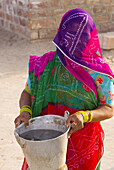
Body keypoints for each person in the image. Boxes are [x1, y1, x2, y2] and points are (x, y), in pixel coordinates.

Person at [14, 8, 114, 170]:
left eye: (81, 35)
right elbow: (27, 92)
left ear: (90, 37)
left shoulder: (99, 73)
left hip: (83, 142)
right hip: (44, 143)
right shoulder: (45, 65)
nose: (74, 40)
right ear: (61, 34)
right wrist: (25, 111)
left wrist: (85, 115)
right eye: (70, 33)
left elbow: (108, 109)